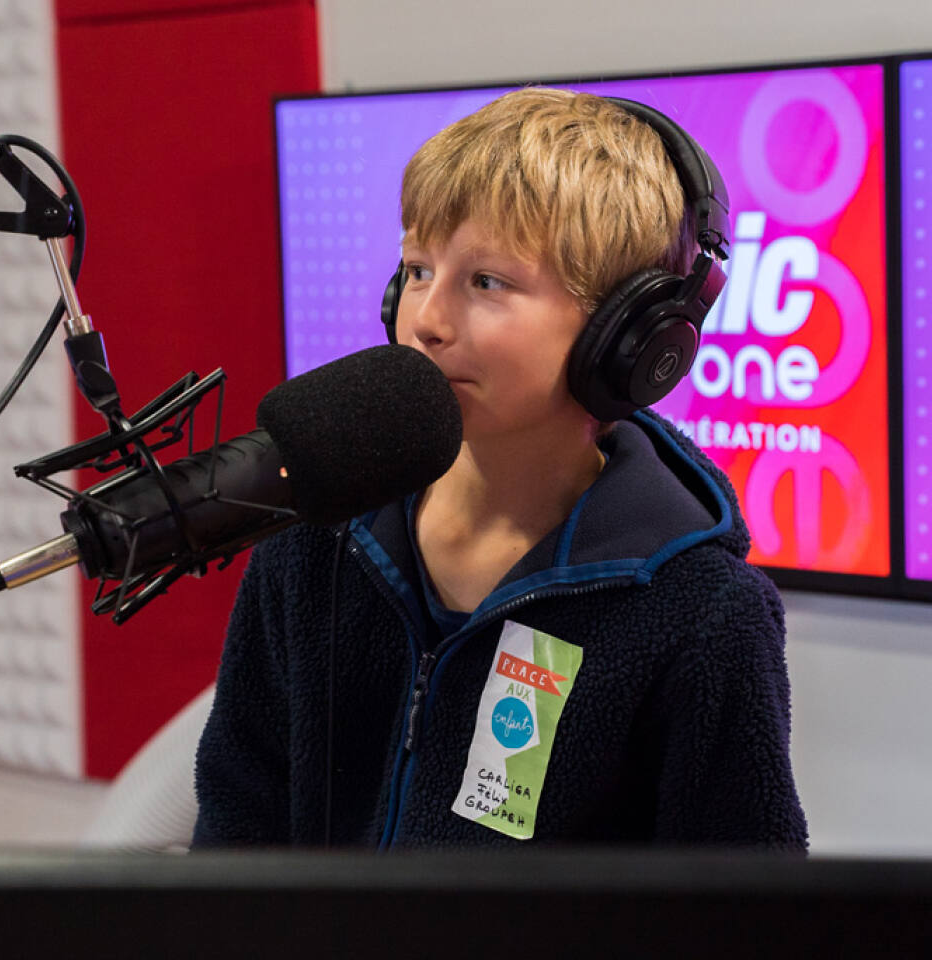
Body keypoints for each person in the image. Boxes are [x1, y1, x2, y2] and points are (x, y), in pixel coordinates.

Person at [192, 88, 808, 850]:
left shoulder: (702, 615)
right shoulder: (318, 534)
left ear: (628, 336)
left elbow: (743, 902)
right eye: (418, 270)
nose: (426, 320)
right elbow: (236, 822)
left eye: (487, 282)